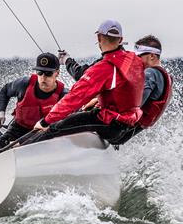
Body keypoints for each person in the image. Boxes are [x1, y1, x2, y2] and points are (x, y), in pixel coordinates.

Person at [16, 19, 144, 147]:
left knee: (55, 126)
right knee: (79, 114)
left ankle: (20, 148)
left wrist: (45, 121)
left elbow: (75, 97)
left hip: (112, 124)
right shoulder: (134, 59)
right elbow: (124, 90)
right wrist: (98, 102)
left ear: (99, 38)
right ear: (121, 40)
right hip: (129, 124)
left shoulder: (103, 68)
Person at [109, 35, 174, 145]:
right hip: (123, 135)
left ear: (152, 56)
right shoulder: (165, 77)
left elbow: (131, 106)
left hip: (114, 129)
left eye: (139, 57)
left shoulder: (150, 74)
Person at [0, 52, 66, 145]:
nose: (43, 77)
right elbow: (5, 91)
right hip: (18, 128)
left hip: (43, 133)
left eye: (48, 73)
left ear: (57, 73)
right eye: (40, 72)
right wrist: (1, 114)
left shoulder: (63, 95)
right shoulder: (24, 84)